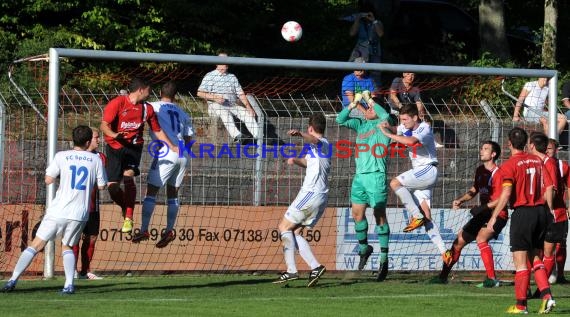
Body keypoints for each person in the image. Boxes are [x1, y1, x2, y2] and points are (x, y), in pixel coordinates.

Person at [2, 126, 107, 294]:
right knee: (68, 246)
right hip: (79, 213)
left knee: (36, 245)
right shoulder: (96, 160)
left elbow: (48, 179)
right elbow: (101, 186)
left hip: (58, 210)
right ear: (88, 142)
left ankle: (12, 281)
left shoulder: (61, 156)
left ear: (73, 140)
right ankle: (68, 285)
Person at [487, 129, 555, 314]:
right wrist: (548, 209)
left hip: (523, 213)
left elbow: (507, 193)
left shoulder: (510, 165)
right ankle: (547, 296)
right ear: (526, 143)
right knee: (535, 257)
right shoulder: (538, 160)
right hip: (541, 211)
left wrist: (494, 216)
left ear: (509, 143)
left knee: (520, 262)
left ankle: (521, 305)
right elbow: (549, 187)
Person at [100, 77, 178, 234]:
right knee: (113, 188)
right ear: (141, 90)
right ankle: (125, 206)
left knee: (129, 176)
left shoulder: (147, 109)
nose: (150, 93)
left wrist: (172, 145)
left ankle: (129, 217)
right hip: (115, 147)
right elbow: (104, 125)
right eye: (149, 90)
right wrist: (115, 135)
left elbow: (157, 130)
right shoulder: (118, 103)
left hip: (134, 147)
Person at [378, 103, 450, 265]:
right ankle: (444, 252)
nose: (403, 123)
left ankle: (416, 217)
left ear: (415, 118)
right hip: (422, 175)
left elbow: (410, 142)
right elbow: (398, 129)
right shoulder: (405, 126)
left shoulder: (424, 128)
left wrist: (387, 134)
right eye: (401, 119)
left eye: (405, 119)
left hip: (427, 169)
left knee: (395, 183)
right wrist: (389, 126)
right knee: (427, 216)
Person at [430, 141, 508, 287]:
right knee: (458, 241)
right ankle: (442, 277)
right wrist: (461, 200)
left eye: (485, 149)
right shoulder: (480, 170)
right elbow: (474, 190)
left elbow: (501, 199)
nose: (481, 151)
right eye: (481, 148)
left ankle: (492, 279)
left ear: (493, 154)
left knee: (481, 238)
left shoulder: (499, 173)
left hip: (498, 214)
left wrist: (483, 207)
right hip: (483, 212)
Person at [336, 96, 392, 281]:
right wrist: (352, 104)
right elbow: (340, 119)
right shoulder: (360, 125)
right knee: (357, 215)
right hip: (359, 177)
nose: (367, 109)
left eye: (370, 107)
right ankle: (364, 249)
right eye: (367, 107)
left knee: (379, 216)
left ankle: (384, 261)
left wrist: (370, 99)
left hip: (376, 176)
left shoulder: (384, 125)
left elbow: (385, 114)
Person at [132, 81, 193, 248]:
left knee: (151, 192)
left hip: (166, 152)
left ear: (160, 92)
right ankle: (169, 230)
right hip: (182, 153)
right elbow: (189, 139)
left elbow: (138, 109)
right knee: (173, 194)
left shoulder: (153, 106)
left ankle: (144, 229)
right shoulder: (183, 113)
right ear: (175, 95)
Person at [272, 113, 330, 287]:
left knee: (283, 227)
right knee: (294, 232)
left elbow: (315, 141)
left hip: (311, 193)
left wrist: (299, 134)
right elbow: (309, 162)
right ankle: (315, 267)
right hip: (320, 196)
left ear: (310, 128)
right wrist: (295, 160)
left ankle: (291, 271)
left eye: (308, 130)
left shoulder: (323, 143)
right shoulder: (319, 149)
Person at [197, 52, 260, 144]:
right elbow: (200, 93)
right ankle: (237, 136)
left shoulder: (232, 77)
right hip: (215, 106)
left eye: (227, 61)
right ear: (217, 63)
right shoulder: (210, 76)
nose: (225, 63)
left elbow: (240, 93)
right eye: (223, 61)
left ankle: (258, 137)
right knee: (224, 112)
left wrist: (248, 107)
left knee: (247, 113)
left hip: (231, 105)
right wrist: (214, 97)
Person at [72, 128, 106, 280]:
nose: (99, 140)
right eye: (96, 137)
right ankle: (71, 270)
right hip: (75, 205)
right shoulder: (72, 156)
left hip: (93, 206)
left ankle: (85, 271)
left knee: (91, 238)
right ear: (88, 140)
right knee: (73, 238)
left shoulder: (101, 157)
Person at [542, 138, 569, 284]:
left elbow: (569, 186)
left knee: (561, 244)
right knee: (543, 246)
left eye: (550, 149)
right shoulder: (539, 163)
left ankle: (560, 275)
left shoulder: (562, 166)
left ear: (556, 150)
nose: (547, 151)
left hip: (558, 212)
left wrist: (569, 205)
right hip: (542, 212)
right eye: (545, 148)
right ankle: (543, 277)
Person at [348, 2, 383, 86]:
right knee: (359, 72)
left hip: (374, 52)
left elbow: (380, 34)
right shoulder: (359, 23)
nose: (366, 16)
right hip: (360, 53)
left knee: (375, 74)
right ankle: (358, 92)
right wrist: (357, 19)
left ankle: (375, 95)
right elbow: (352, 33)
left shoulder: (377, 22)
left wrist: (374, 20)